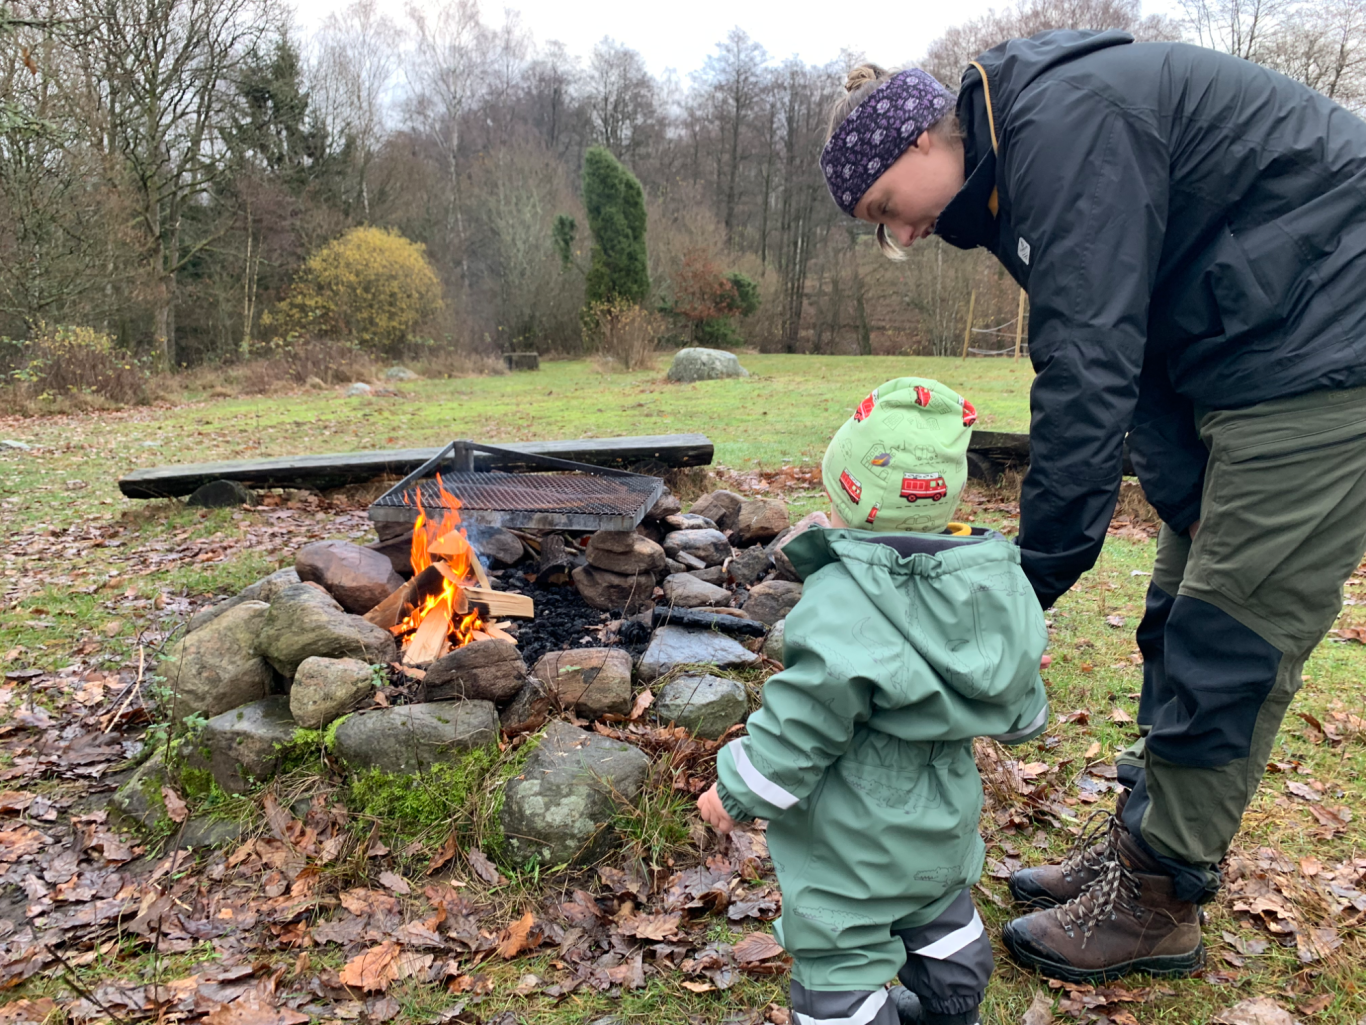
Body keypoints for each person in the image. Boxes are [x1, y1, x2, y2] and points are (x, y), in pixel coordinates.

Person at [820, 33, 1366, 983]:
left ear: (918, 144)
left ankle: (1160, 902)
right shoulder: (1020, 163)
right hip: (1242, 349)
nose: (899, 236)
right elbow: (1134, 349)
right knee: (1178, 600)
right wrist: (1185, 499)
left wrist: (1025, 584)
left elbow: (1085, 372)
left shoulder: (1065, 134)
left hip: (1325, 344)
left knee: (1229, 629)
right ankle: (1140, 843)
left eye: (884, 211)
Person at [696, 377, 1050, 1025]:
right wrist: (1028, 695)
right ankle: (953, 1002)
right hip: (942, 829)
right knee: (941, 917)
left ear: (849, 503)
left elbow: (801, 727)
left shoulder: (841, 606)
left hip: (851, 846)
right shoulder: (989, 586)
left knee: (838, 955)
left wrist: (734, 790)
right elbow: (1021, 706)